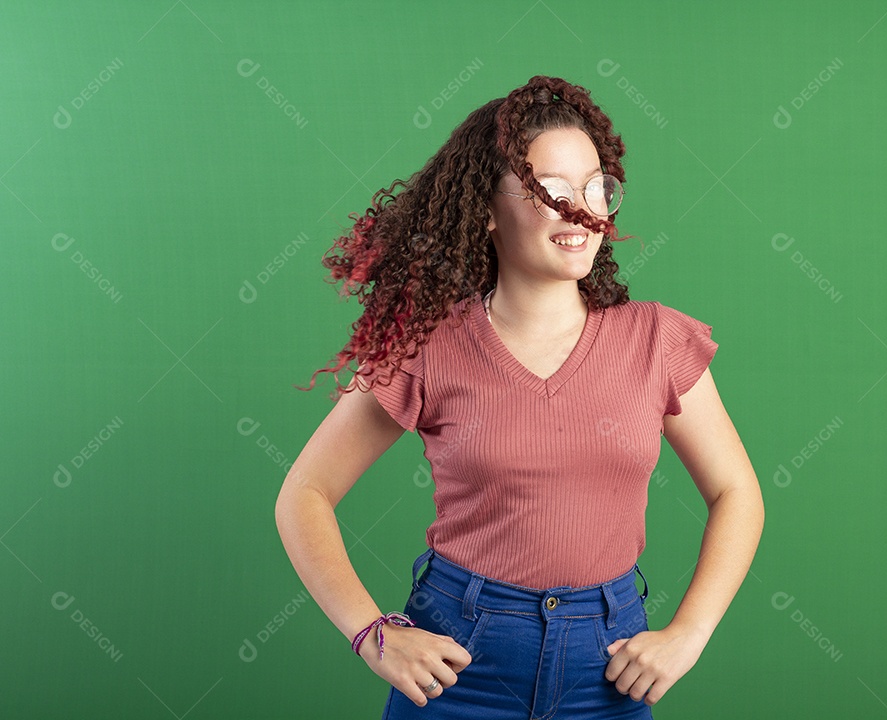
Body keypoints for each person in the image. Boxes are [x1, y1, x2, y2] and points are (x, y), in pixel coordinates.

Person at [275, 74, 764, 719]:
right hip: (460, 661)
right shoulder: (429, 344)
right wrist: (373, 634)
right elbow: (304, 496)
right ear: (486, 209)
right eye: (551, 193)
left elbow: (738, 494)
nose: (584, 212)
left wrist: (689, 634)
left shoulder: (657, 339)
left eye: (596, 189)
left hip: (607, 668)